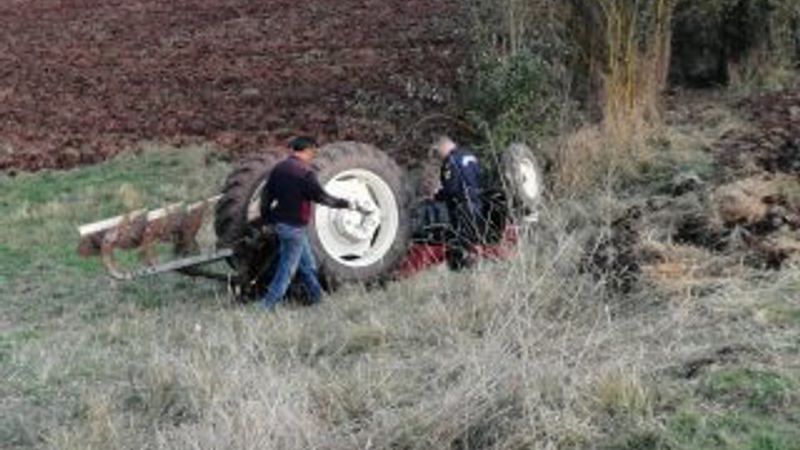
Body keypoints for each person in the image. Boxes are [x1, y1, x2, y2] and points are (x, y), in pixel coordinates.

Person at [259, 136, 351, 310]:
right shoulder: (304, 173)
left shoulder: (278, 169)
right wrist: (345, 204)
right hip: (294, 228)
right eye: (313, 152)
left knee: (307, 265)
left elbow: (266, 197)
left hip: (282, 225)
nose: (313, 156)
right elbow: (322, 197)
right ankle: (266, 305)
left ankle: (319, 299)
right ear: (307, 150)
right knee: (287, 270)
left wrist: (267, 220)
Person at [433, 135, 484, 270]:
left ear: (443, 147)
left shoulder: (450, 161)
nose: (439, 157)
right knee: (475, 235)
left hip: (462, 204)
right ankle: (476, 266)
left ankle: (468, 267)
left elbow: (451, 188)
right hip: (477, 201)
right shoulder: (470, 155)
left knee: (463, 238)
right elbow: (481, 177)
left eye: (438, 153)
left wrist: (437, 196)